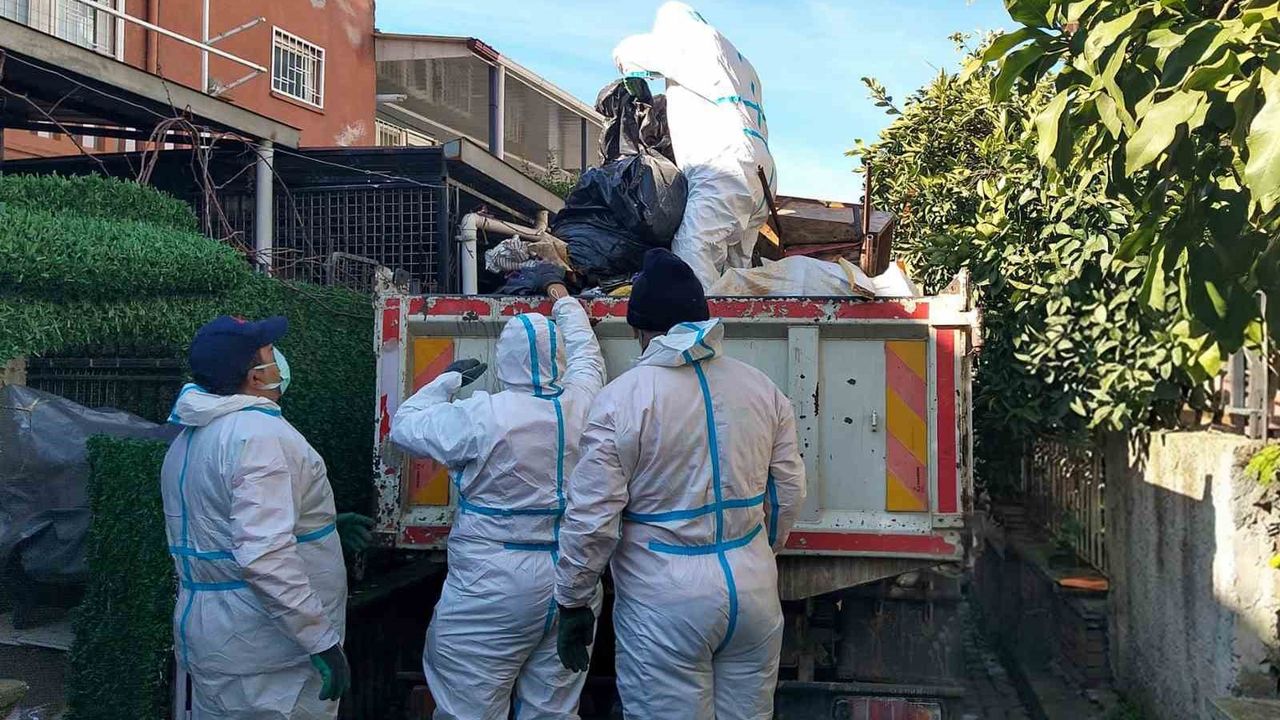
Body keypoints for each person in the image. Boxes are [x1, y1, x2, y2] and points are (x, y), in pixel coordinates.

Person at [554, 249, 806, 720]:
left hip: (664, 603)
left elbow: (592, 518)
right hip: (754, 591)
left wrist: (572, 599)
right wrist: (757, 553)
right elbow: (787, 491)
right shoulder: (762, 388)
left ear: (638, 329)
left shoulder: (620, 400)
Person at [389, 275, 608, 720]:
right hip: (572, 578)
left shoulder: (481, 415)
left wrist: (445, 381)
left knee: (467, 709)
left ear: (504, 360)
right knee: (553, 711)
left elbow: (404, 427)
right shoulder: (584, 401)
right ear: (559, 359)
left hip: (490, 584)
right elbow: (588, 355)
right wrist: (563, 300)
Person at [161, 315, 374, 719]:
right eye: (270, 352)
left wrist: (318, 528)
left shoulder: (190, 439)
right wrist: (319, 640)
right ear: (256, 376)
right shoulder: (260, 438)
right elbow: (264, 556)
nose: (278, 360)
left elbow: (220, 530)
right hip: (268, 653)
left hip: (219, 639)